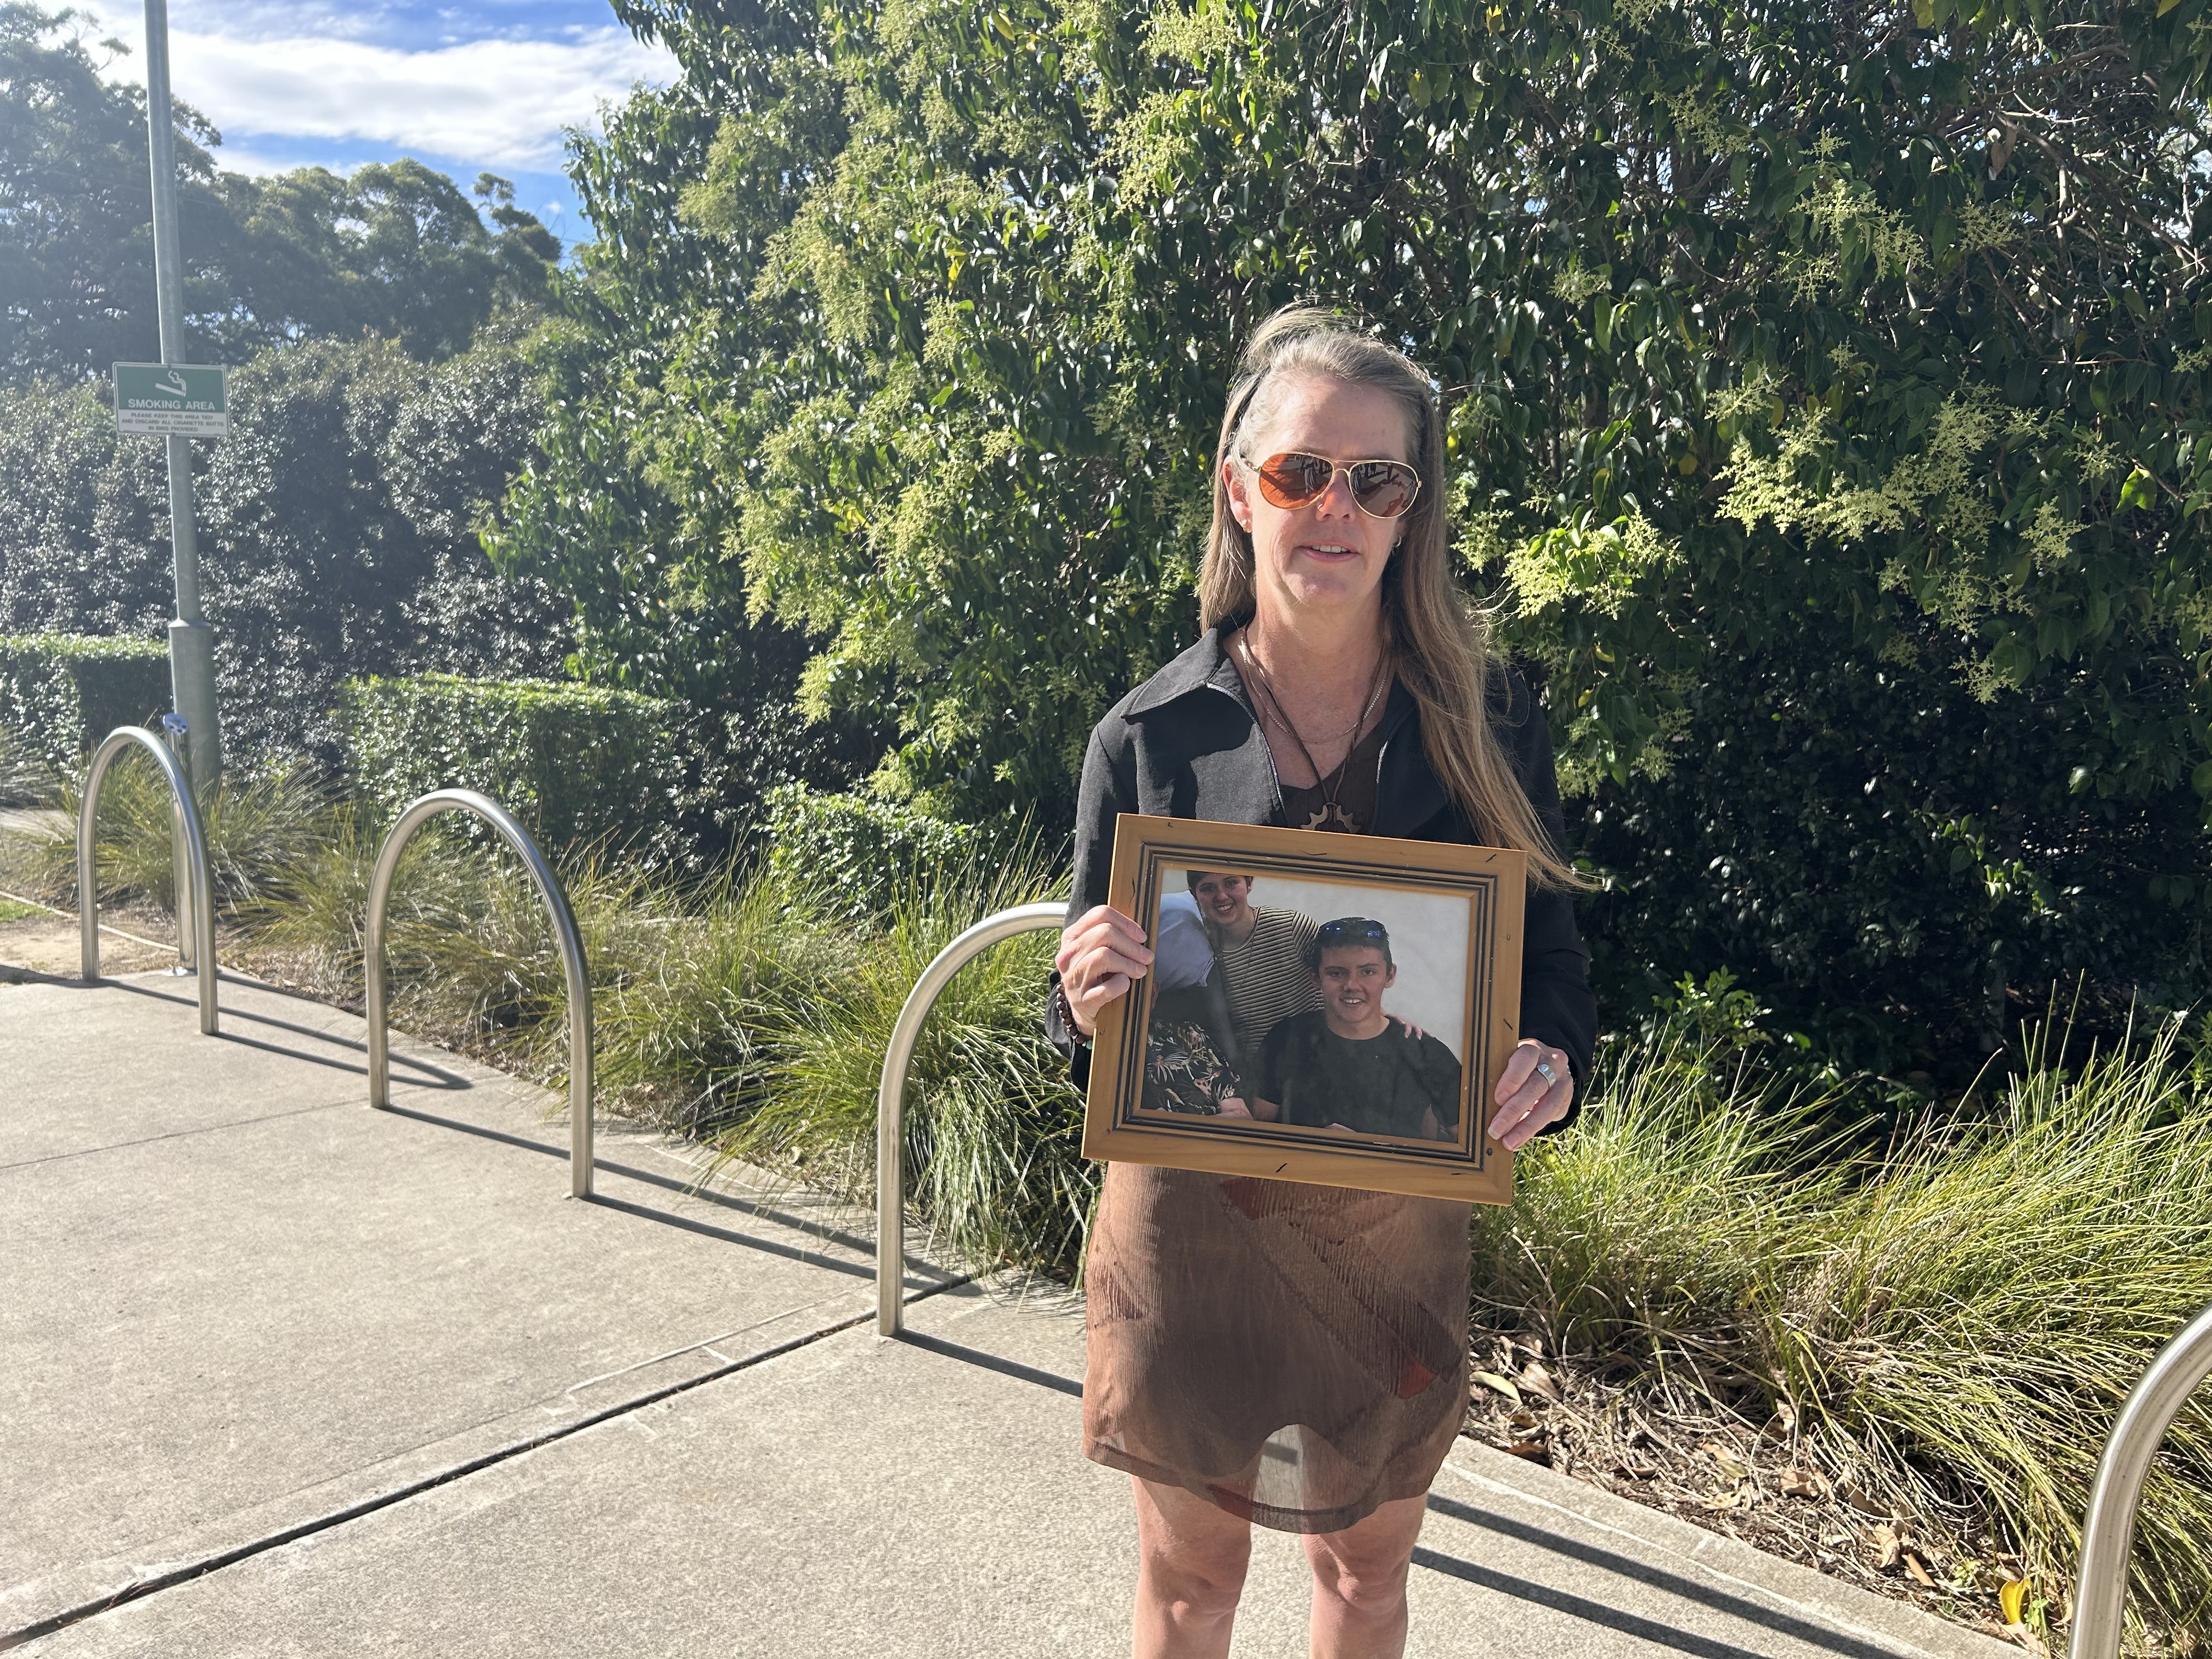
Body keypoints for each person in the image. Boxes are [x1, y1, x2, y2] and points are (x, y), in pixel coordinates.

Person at [1048, 305, 1596, 1659]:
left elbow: (1558, 953)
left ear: (1413, 511)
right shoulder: (1145, 735)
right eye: (1301, 472)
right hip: (1191, 1239)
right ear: (1241, 490)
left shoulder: (1493, 721)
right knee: (1190, 1592)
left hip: (1386, 1246)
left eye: (1376, 479)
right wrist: (1085, 993)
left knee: (1363, 1584)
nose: (1334, 506)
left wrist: (1553, 1060)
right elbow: (1084, 1021)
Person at [1251, 918, 1462, 1142]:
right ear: (1316, 978)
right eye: (1336, 973)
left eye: (1368, 972)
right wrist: (1314, 1145)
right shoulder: (1285, 1038)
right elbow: (1258, 1133)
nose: (1352, 985)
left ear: (1389, 975)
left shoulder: (1428, 1052)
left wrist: (1369, 1153)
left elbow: (1473, 1148)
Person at [1183, 870, 1321, 1063]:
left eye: (1231, 883)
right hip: (1256, 1076)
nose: (1221, 896)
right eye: (1208, 888)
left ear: (1249, 883)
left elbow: (1335, 988)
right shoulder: (1198, 948)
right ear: (1194, 895)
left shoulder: (1291, 928)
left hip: (1314, 1059)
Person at [1141, 892, 1247, 1117]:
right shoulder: (1113, 1049)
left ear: (1156, 991)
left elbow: (1241, 1115)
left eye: (1143, 985)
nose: (1135, 995)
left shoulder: (1191, 1035)